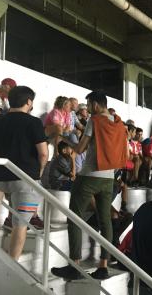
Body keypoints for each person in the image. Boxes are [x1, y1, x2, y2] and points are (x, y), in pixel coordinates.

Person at [51, 91, 128, 281]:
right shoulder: (118, 122)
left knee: (74, 217)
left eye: (88, 104)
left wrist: (63, 138)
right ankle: (103, 265)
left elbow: (80, 148)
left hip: (90, 176)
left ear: (94, 104)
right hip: (109, 177)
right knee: (105, 220)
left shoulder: (95, 121)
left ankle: (75, 265)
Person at [0, 86, 48, 260]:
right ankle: (12, 263)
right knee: (20, 226)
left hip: (0, 178)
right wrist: (40, 170)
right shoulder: (34, 122)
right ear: (28, 102)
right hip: (25, 180)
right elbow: (43, 153)